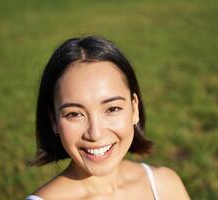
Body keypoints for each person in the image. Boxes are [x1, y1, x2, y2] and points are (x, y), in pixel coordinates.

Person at [26, 36, 190, 200]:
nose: (95, 134)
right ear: (53, 120)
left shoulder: (165, 185)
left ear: (134, 109)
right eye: (74, 114)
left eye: (112, 109)